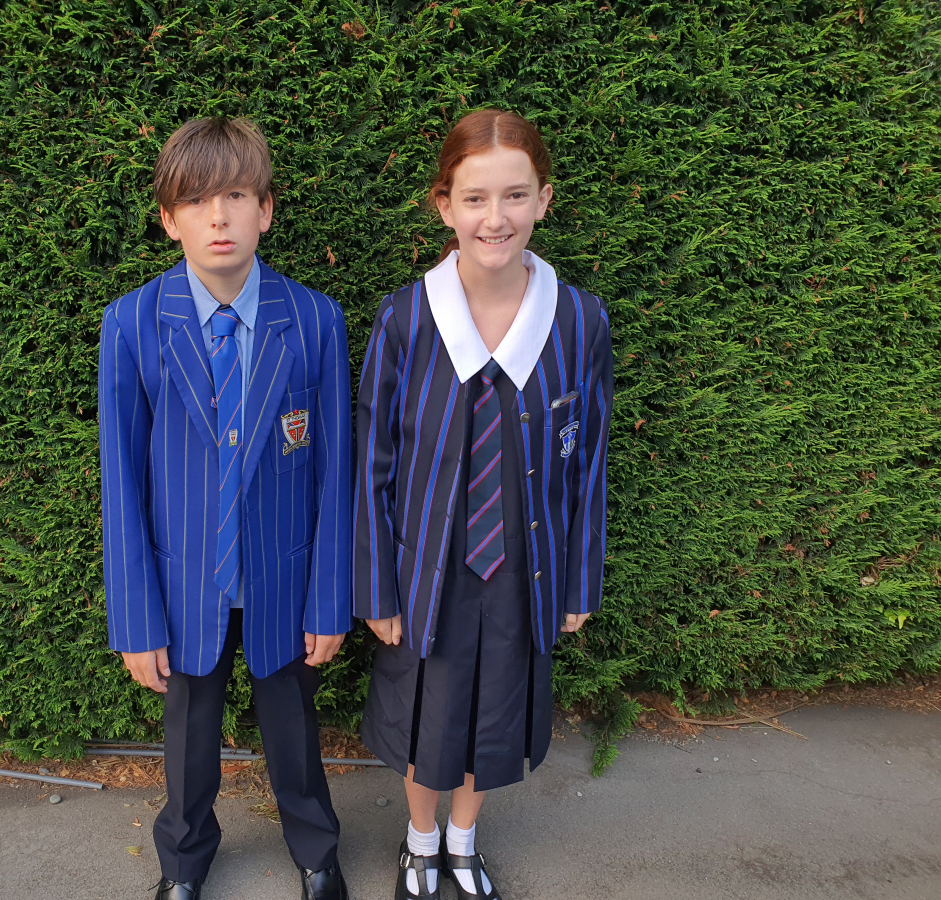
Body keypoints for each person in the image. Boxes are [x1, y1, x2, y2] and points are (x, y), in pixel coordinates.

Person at [353, 108, 614, 900]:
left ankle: (463, 842)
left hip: (523, 567)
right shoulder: (405, 318)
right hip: (425, 568)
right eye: (474, 199)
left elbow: (590, 460)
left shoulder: (576, 321)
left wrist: (578, 584)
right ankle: (418, 839)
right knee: (425, 712)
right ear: (444, 206)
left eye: (513, 196)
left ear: (543, 200)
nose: (493, 218)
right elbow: (373, 462)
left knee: (493, 713)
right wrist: (375, 586)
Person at [99, 117, 352, 900]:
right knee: (189, 740)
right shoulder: (133, 324)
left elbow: (335, 471)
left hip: (283, 576)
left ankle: (315, 851)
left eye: (236, 196)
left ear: (266, 210)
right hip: (182, 587)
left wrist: (331, 598)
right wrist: (136, 619)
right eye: (197, 201)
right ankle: (183, 861)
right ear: (169, 218)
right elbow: (123, 481)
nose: (218, 217)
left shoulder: (313, 318)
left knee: (295, 734)